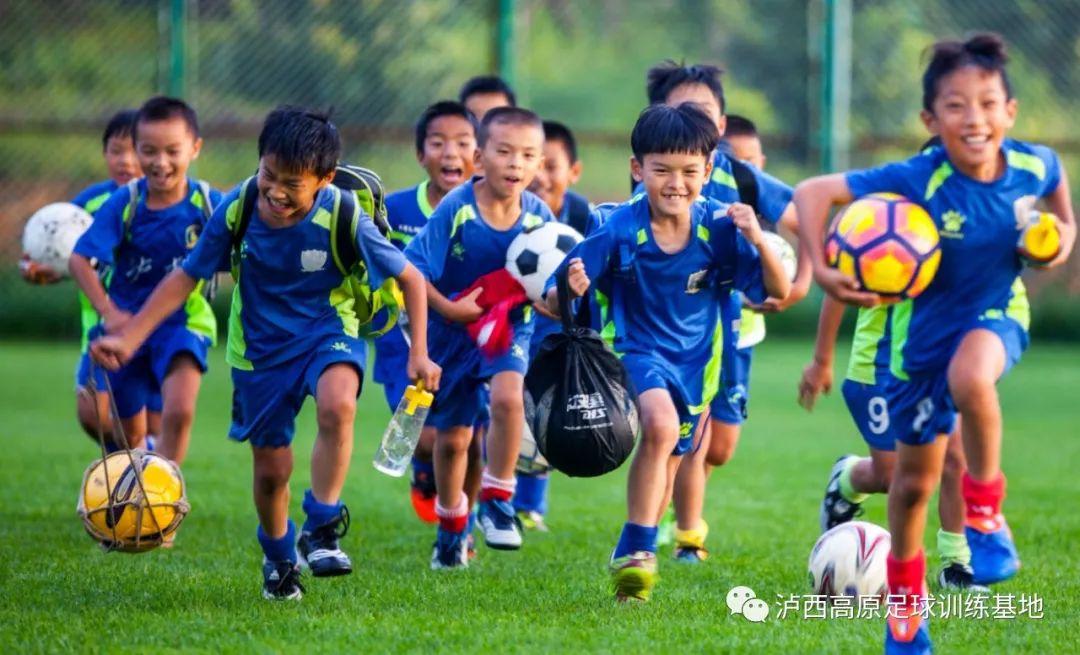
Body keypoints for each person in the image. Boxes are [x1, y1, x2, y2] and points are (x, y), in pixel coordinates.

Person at [794, 33, 1075, 653]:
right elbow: (812, 194)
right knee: (912, 488)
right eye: (955, 105)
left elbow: (1060, 200)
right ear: (930, 119)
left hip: (996, 317)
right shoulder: (918, 177)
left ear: (1010, 111)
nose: (973, 118)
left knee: (972, 378)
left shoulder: (1034, 164)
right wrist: (822, 266)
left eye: (987, 103)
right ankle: (904, 614)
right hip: (919, 350)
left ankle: (985, 511)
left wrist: (1058, 242)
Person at [91, 106, 439, 600]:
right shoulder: (239, 207)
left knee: (339, 405)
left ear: (323, 179)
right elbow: (186, 277)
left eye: (292, 183)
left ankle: (320, 525)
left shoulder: (344, 213)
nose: (275, 190)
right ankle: (278, 559)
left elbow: (409, 278)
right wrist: (130, 337)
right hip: (259, 351)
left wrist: (418, 353)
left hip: (326, 329)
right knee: (272, 472)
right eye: (268, 174)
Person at [545, 103, 791, 601]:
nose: (675, 183)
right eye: (661, 170)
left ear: (708, 171)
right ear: (638, 170)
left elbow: (777, 290)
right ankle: (639, 548)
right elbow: (553, 301)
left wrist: (758, 239)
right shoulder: (617, 229)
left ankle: (631, 567)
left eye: (689, 171)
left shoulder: (721, 230)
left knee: (674, 457)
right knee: (657, 426)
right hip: (634, 352)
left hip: (699, 367)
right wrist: (569, 288)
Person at [643, 62, 809, 562]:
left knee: (719, 446)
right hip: (666, 333)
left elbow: (807, 221)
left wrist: (797, 287)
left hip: (732, 327)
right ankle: (684, 537)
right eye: (679, 111)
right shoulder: (653, 181)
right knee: (684, 432)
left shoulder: (737, 175)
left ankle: (676, 507)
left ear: (720, 124)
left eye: (703, 113)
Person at [405, 106, 554, 569]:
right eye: (503, 151)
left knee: (510, 401)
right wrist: (447, 309)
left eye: (528, 155)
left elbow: (548, 285)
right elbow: (411, 272)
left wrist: (556, 299)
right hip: (451, 335)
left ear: (538, 162)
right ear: (479, 157)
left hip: (508, 328)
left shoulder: (539, 217)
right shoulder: (457, 208)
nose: (515, 164)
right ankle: (451, 530)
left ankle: (498, 498)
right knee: (453, 440)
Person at [70, 97, 221, 464]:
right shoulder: (127, 202)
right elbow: (79, 259)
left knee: (179, 412)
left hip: (182, 323)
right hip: (126, 330)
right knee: (128, 435)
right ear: (138, 150)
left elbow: (247, 248)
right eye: (149, 150)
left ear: (195, 149)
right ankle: (128, 490)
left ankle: (166, 497)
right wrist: (108, 312)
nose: (160, 161)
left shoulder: (209, 204)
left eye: (173, 150)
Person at [19, 109, 158, 448]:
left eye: (134, 150)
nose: (125, 161)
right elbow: (68, 258)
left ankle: (145, 469)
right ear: (104, 153)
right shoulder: (87, 205)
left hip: (152, 329)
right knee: (92, 415)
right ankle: (131, 459)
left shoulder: (163, 204)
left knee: (152, 425)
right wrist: (43, 273)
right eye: (115, 150)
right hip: (99, 329)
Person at [374, 100, 479, 525]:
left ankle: (462, 523)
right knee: (427, 437)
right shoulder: (395, 211)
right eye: (438, 143)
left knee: (470, 435)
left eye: (463, 143)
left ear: (481, 152)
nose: (451, 154)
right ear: (421, 154)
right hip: (403, 339)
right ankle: (423, 469)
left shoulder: (490, 211)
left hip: (469, 338)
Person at [516, 119, 596, 532]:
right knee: (500, 408)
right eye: (534, 163)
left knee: (548, 408)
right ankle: (488, 498)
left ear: (573, 172)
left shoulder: (583, 215)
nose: (541, 176)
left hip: (559, 331)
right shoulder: (508, 209)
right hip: (510, 327)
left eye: (552, 166)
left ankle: (530, 507)